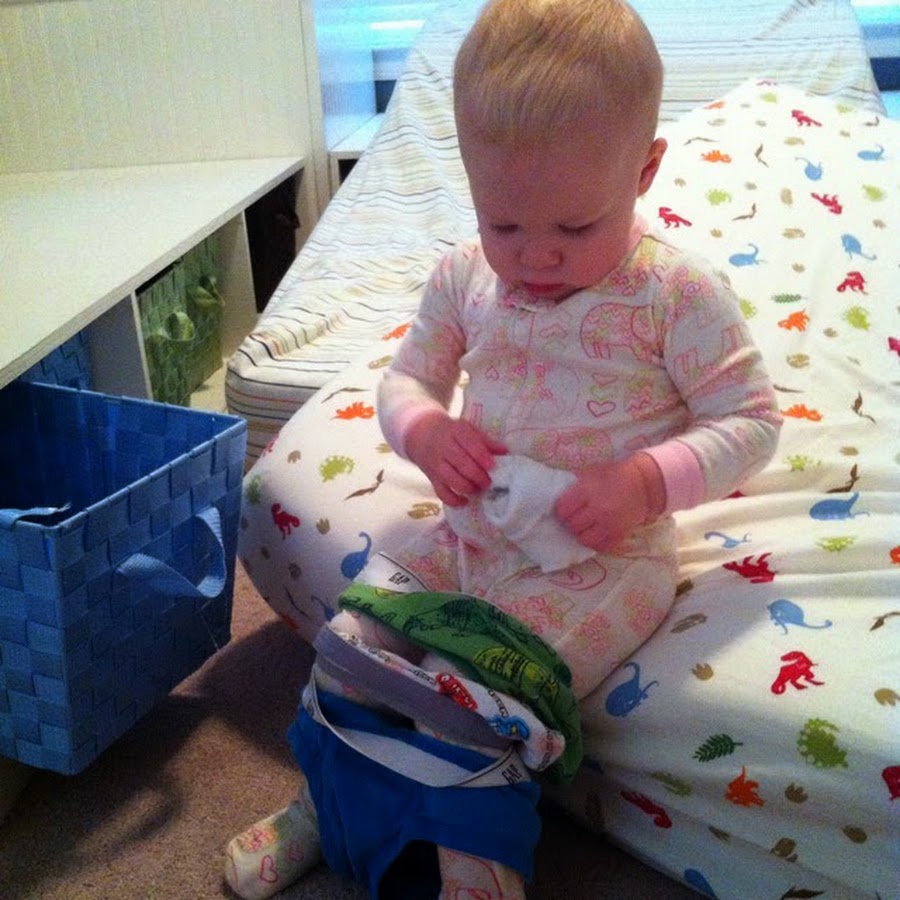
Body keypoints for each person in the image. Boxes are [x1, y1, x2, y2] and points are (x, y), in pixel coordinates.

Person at [225, 0, 782, 897]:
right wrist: (425, 429)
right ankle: (324, 806)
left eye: (575, 228)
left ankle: (477, 872)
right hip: (467, 536)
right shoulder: (463, 274)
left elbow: (751, 420)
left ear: (644, 171)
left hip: (601, 564)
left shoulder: (674, 295)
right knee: (349, 650)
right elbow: (406, 382)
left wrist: (645, 481)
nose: (535, 258)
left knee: (465, 696)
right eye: (504, 222)